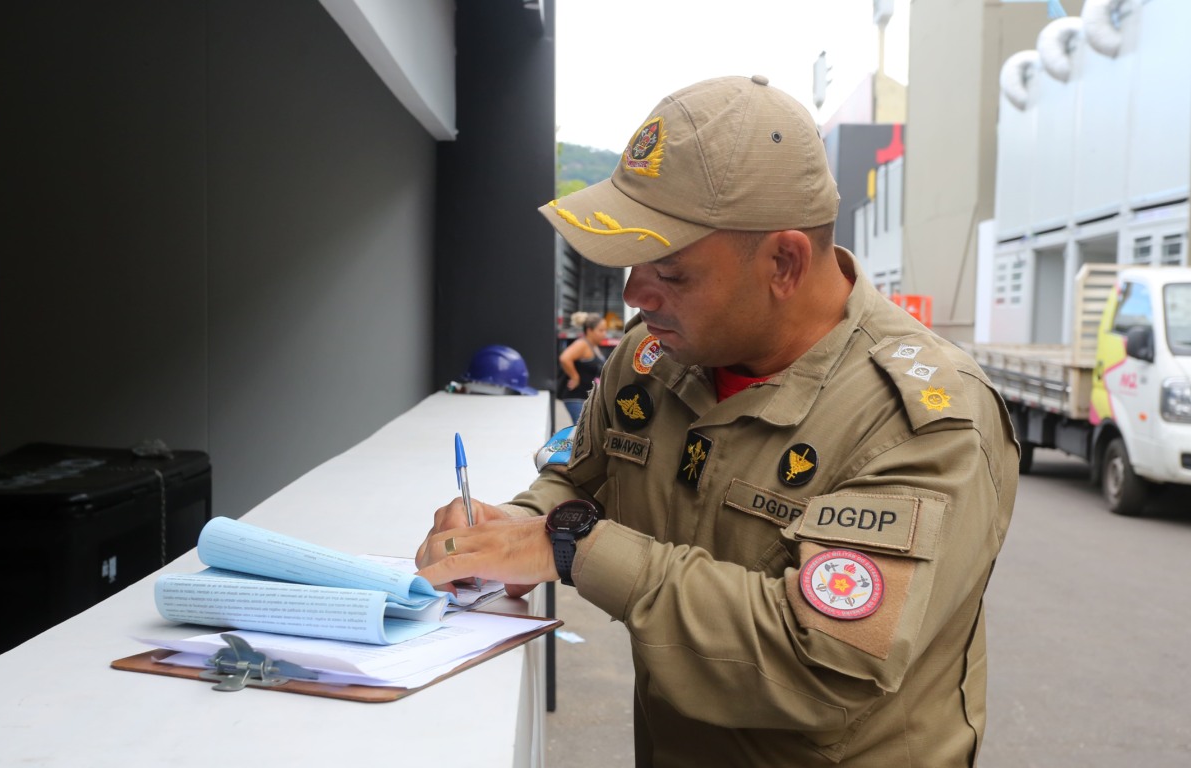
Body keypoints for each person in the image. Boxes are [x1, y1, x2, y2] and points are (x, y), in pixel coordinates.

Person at [416, 75, 1018, 767]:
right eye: (632, 262)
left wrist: (572, 548)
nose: (636, 295)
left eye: (670, 272)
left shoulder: (921, 420)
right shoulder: (651, 359)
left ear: (784, 262)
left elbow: (820, 663)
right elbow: (581, 480)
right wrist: (508, 526)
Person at [557, 311, 608, 424]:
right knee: (582, 429)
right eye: (601, 330)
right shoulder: (582, 344)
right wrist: (575, 377)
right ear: (589, 330)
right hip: (576, 398)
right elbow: (565, 358)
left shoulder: (593, 346)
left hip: (585, 398)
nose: (604, 334)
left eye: (605, 330)